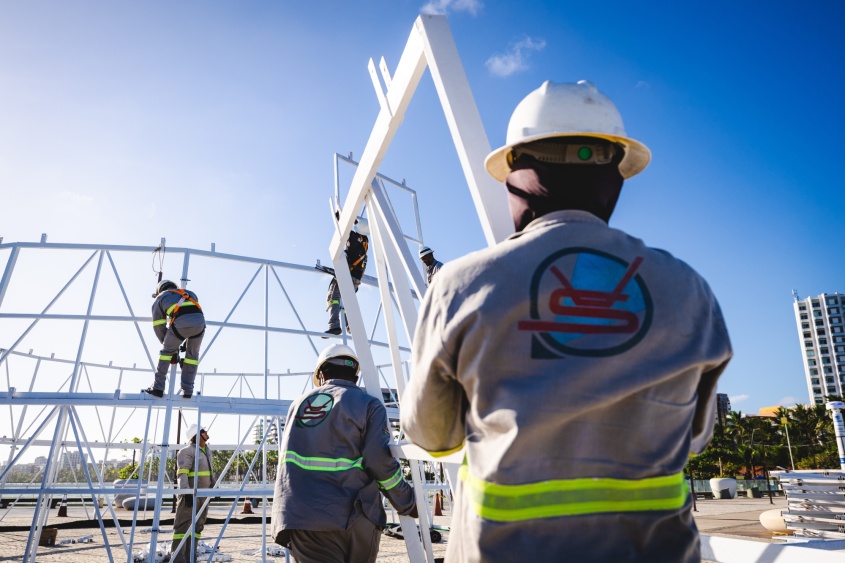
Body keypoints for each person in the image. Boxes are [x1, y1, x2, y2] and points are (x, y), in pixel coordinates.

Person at [401, 80, 733, 563]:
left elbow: (432, 434)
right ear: (615, 178)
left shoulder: (460, 285)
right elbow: (694, 436)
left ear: (516, 175)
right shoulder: (688, 290)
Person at [272, 344, 417, 563]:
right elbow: (379, 461)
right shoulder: (369, 404)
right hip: (358, 518)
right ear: (355, 376)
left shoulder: (298, 405)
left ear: (321, 374)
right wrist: (407, 501)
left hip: (305, 518)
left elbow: (286, 468)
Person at [143, 279, 205, 398]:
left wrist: (170, 348)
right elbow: (191, 313)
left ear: (160, 290)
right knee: (192, 356)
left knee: (165, 354)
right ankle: (188, 391)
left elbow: (159, 325)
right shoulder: (190, 293)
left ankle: (158, 388)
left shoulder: (160, 298)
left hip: (180, 325)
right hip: (200, 325)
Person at [172, 425, 214, 563]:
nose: (206, 433)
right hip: (190, 496)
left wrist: (212, 488)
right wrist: (186, 493)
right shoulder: (186, 451)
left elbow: (208, 473)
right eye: (203, 431)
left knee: (197, 527)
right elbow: (182, 473)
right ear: (197, 435)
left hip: (203, 495)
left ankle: (191, 558)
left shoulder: (206, 450)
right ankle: (178, 559)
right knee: (183, 527)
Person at [324, 217, 369, 336]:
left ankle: (334, 325)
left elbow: (345, 230)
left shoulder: (354, 237)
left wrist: (340, 218)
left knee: (333, 297)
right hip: (356, 279)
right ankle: (350, 326)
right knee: (348, 301)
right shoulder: (365, 241)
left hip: (346, 274)